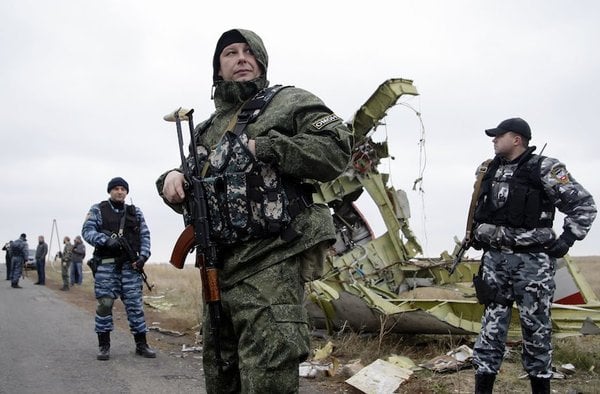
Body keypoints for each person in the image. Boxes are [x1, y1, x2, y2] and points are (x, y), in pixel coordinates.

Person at [156, 28, 352, 392]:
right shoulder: (206, 130)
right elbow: (200, 191)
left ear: (261, 61)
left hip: (270, 264)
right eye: (230, 53)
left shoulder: (288, 102)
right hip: (217, 270)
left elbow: (336, 150)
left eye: (249, 51)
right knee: (221, 376)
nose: (241, 58)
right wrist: (171, 179)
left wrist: (266, 147)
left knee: (268, 378)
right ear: (218, 69)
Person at [470, 117, 597, 393]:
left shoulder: (545, 168)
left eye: (499, 135)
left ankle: (541, 388)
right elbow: (478, 206)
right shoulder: (488, 169)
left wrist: (566, 240)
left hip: (532, 264)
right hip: (494, 262)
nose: (493, 140)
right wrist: (477, 235)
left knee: (536, 331)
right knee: (490, 330)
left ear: (517, 139)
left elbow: (584, 205)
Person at [82, 176, 155, 361]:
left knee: (135, 307)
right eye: (116, 188)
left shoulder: (135, 212)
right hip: (106, 267)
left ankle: (142, 344)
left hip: (130, 268)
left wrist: (143, 257)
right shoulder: (98, 209)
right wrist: (106, 240)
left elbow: (145, 236)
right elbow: (87, 231)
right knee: (105, 305)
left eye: (123, 189)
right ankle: (104, 346)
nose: (120, 191)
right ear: (110, 191)